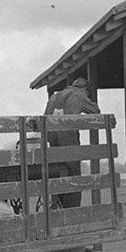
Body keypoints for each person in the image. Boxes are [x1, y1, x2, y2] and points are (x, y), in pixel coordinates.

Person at [44, 76, 100, 208]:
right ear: (84, 89)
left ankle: (57, 208)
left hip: (52, 144)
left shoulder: (54, 97)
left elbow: (44, 119)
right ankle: (72, 213)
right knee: (74, 178)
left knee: (57, 176)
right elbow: (95, 111)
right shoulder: (79, 95)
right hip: (68, 141)